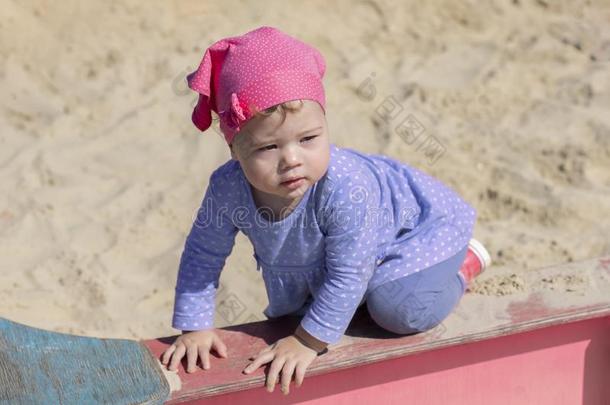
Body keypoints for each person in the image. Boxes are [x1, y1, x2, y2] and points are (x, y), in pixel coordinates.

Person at [161, 26, 491, 395]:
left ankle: (465, 265)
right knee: (308, 309)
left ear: (325, 127)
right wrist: (195, 327)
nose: (291, 159)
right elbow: (202, 254)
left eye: (308, 139)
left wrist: (307, 342)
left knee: (398, 311)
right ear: (234, 148)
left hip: (415, 231)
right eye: (267, 147)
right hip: (354, 254)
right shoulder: (227, 188)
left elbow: (350, 271)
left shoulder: (345, 187)